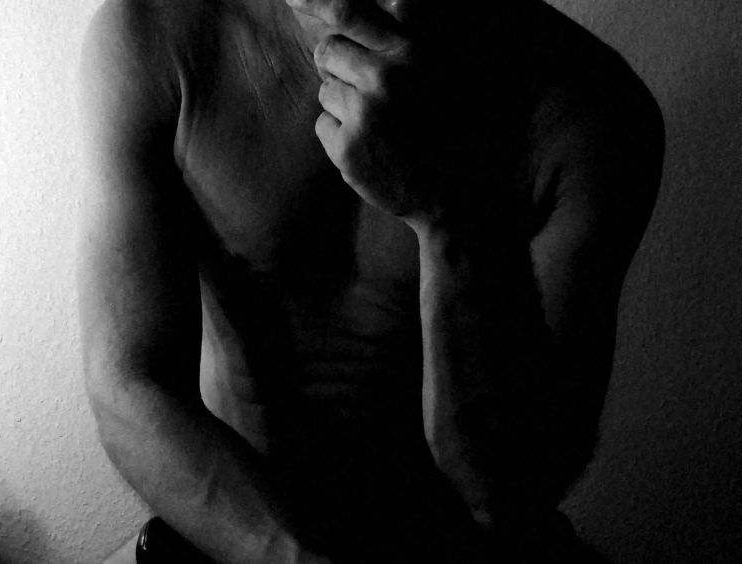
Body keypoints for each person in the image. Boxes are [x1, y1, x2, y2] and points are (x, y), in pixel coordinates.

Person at [77, 0, 664, 562]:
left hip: (460, 542)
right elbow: (130, 389)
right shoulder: (159, 33)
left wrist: (447, 218)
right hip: (242, 526)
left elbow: (513, 490)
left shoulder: (592, 110)